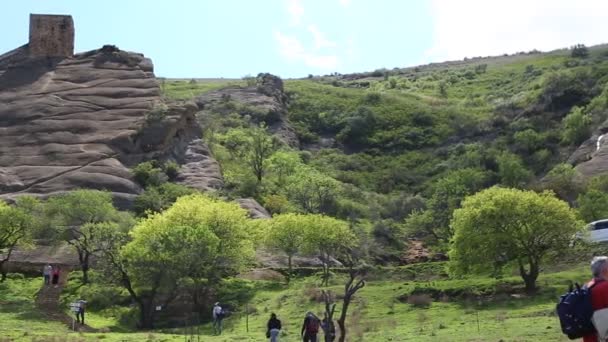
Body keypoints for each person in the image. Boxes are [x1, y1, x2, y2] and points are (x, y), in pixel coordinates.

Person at [583, 256, 608, 342]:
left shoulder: (587, 286)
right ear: (604, 270)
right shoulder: (605, 286)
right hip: (603, 335)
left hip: (590, 334)